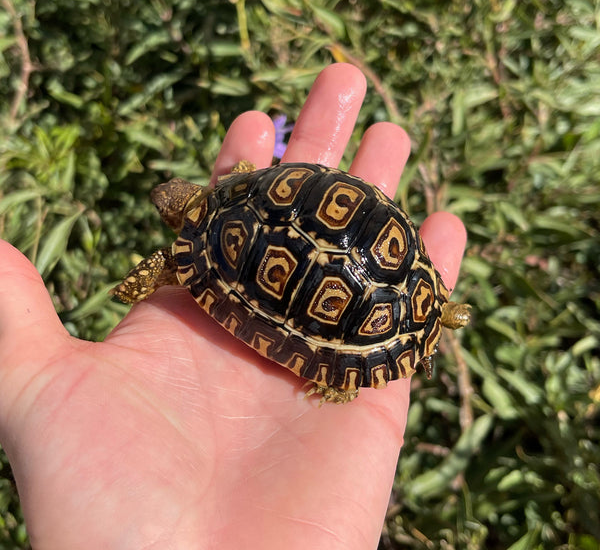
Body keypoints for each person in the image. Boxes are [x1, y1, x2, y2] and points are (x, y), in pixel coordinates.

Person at [0, 63, 466, 549]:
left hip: (356, 305)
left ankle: (346, 377)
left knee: (187, 266)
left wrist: (131, 287)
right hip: (396, 265)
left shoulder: (194, 247)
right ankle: (422, 318)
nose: (165, 202)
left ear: (177, 215)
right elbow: (260, 184)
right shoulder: (249, 181)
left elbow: (168, 265)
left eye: (168, 207)